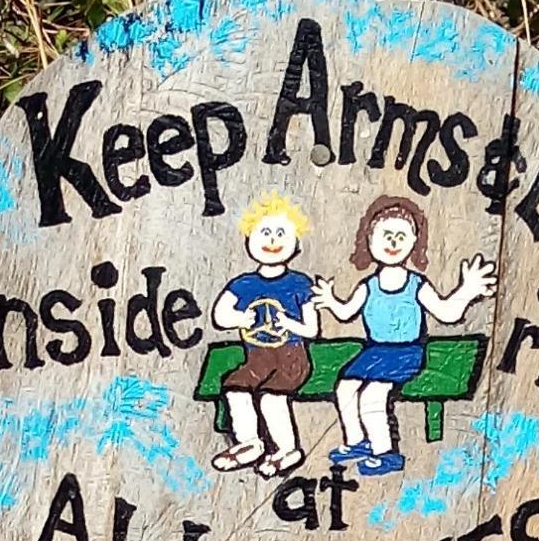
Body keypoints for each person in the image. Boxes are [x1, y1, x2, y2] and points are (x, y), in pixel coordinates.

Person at [311, 195, 496, 476]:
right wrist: (329, 299)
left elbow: (446, 313)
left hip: (405, 352)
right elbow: (346, 311)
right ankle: (357, 442)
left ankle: (385, 453)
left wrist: (467, 291)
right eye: (386, 235)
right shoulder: (369, 285)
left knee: (372, 396)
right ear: (370, 241)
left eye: (401, 236)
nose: (393, 242)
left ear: (413, 243)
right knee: (345, 389)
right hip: (374, 352)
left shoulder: (415, 284)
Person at [211, 192, 318, 478]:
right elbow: (220, 316)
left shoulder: (299, 284)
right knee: (236, 386)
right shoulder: (244, 284)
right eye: (265, 232)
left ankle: (286, 448)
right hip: (257, 357)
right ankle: (249, 442)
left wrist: (288, 323)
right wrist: (239, 317)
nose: (272, 240)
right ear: (249, 239)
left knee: (272, 397)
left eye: (281, 233)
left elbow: (312, 329)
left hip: (291, 358)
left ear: (296, 243)